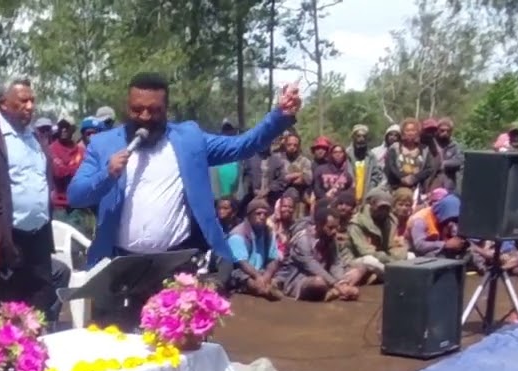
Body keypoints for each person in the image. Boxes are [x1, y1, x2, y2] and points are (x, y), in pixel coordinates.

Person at [68, 73, 299, 326]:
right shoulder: (103, 144)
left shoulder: (189, 139)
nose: (145, 117)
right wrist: (106, 175)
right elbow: (76, 195)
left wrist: (279, 115)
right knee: (117, 351)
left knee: (177, 351)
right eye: (137, 109)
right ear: (127, 107)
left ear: (166, 109)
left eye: (154, 110)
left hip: (174, 266)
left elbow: (241, 146)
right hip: (119, 267)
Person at [0, 77, 58, 318]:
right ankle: (6, 355)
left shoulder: (35, 137)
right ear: (3, 104)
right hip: (7, 240)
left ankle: (35, 354)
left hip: (38, 238)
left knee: (40, 306)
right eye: (23, 101)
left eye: (32, 100)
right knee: (6, 310)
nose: (30, 106)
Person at [275, 206, 364, 301]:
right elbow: (313, 266)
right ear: (319, 225)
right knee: (319, 282)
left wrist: (342, 282)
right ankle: (333, 292)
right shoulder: (303, 240)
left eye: (336, 227)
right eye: (330, 228)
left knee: (359, 270)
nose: (334, 231)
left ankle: (334, 292)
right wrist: (336, 284)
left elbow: (336, 263)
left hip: (327, 277)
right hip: (300, 281)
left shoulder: (330, 237)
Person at [222, 199, 281, 300]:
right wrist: (258, 277)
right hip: (241, 272)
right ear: (249, 215)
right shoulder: (237, 235)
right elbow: (242, 263)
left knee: (280, 273)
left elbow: (274, 259)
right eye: (258, 213)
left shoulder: (269, 233)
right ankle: (264, 290)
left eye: (265, 214)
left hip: (261, 271)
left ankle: (266, 287)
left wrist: (266, 276)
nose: (262, 217)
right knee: (243, 278)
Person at [342, 188, 402, 281]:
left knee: (410, 256)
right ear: (371, 205)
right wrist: (389, 259)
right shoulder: (357, 223)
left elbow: (395, 244)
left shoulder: (391, 221)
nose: (383, 212)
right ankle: (395, 278)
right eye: (381, 208)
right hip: (356, 259)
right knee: (370, 260)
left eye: (386, 208)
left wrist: (398, 255)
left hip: (385, 258)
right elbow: (365, 251)